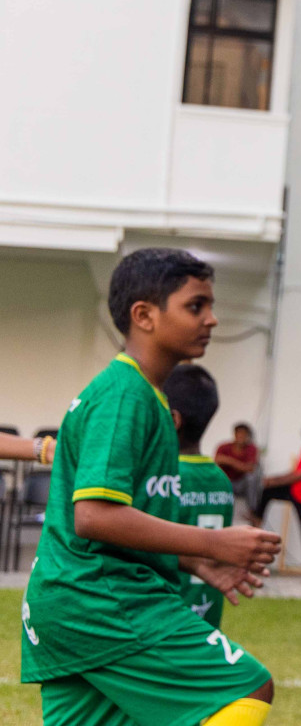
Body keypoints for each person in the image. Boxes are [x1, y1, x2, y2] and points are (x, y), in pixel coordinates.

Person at [21, 248, 282, 726]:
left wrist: (194, 561)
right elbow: (93, 516)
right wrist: (213, 540)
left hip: (74, 602)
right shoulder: (126, 396)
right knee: (245, 687)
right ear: (144, 315)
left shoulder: (149, 397)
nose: (213, 319)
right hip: (102, 599)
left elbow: (111, 521)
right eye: (196, 306)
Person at [162, 363, 238, 626]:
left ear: (173, 419)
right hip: (206, 620)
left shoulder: (163, 478)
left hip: (166, 621)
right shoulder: (220, 479)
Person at [250, 420, 301, 582]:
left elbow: (299, 475)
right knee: (267, 491)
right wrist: (272, 481)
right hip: (296, 492)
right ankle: (257, 518)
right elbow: (295, 472)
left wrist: (275, 480)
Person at [215, 422, 262, 512]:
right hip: (226, 482)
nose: (241, 436)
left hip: (241, 484)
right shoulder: (224, 446)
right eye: (239, 433)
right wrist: (239, 465)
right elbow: (217, 461)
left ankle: (253, 511)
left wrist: (229, 461)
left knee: (252, 477)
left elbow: (250, 469)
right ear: (234, 434)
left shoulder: (251, 448)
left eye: (244, 434)